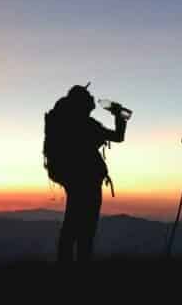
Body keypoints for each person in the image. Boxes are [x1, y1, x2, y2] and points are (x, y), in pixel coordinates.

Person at [46, 85, 127, 263]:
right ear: (82, 103)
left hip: (72, 179)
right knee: (86, 226)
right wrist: (119, 115)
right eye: (89, 98)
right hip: (87, 180)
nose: (93, 101)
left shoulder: (67, 123)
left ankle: (66, 263)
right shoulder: (86, 124)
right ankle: (82, 265)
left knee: (72, 222)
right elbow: (118, 137)